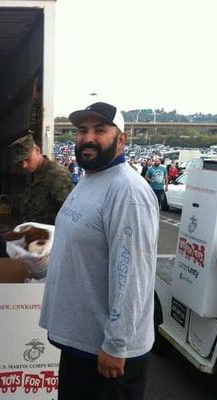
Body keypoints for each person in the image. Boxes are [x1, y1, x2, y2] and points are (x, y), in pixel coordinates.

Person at [40, 102, 159, 400]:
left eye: (100, 130)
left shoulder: (127, 191)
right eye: (82, 130)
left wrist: (117, 344)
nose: (88, 138)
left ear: (122, 139)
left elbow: (133, 273)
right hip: (83, 346)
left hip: (107, 357)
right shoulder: (89, 179)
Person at [9, 132, 73, 225]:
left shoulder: (57, 175)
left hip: (51, 235)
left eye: (27, 159)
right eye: (20, 162)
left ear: (37, 150)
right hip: (35, 233)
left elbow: (69, 213)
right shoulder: (33, 173)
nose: (24, 165)